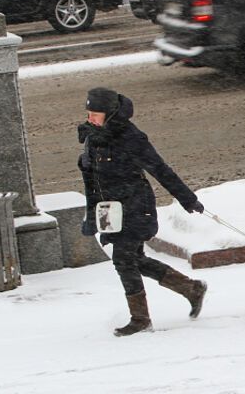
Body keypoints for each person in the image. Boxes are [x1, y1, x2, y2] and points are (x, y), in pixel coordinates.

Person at [78, 87, 207, 337]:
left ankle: (140, 319)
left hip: (136, 206)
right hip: (111, 210)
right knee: (135, 260)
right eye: (89, 113)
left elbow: (160, 169)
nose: (90, 119)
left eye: (96, 114)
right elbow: (92, 181)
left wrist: (187, 198)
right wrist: (92, 214)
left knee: (123, 260)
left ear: (111, 114)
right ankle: (191, 289)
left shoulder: (130, 137)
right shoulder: (93, 137)